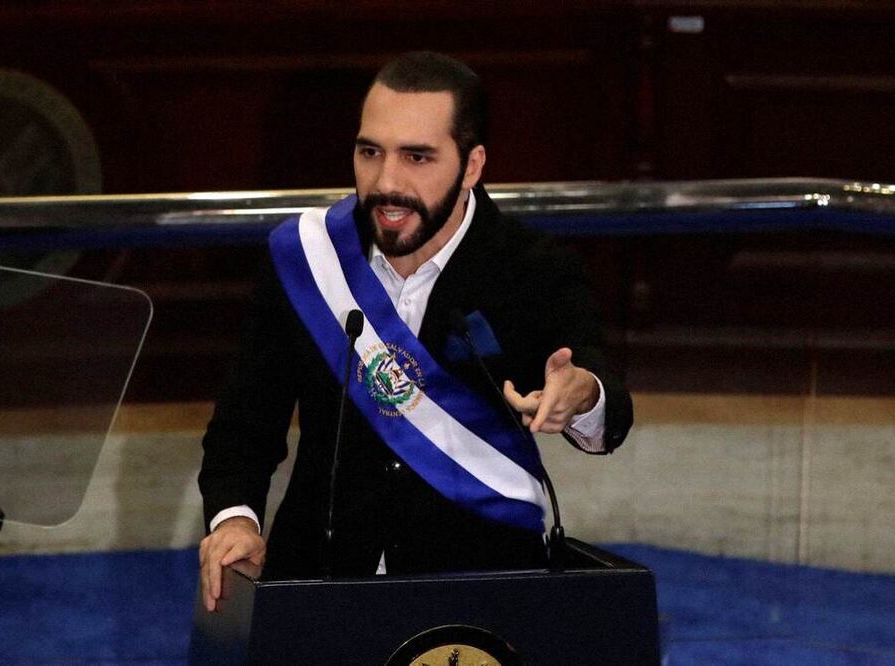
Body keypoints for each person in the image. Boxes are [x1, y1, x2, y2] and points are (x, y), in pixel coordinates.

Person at [198, 51, 632, 611]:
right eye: (370, 152)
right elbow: (244, 423)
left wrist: (583, 394)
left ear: (472, 166)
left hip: (483, 589)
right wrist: (234, 520)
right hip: (321, 583)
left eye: (417, 157)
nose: (386, 182)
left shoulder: (532, 268)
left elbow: (607, 408)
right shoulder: (308, 260)